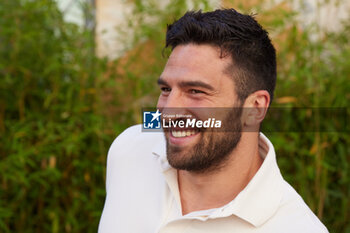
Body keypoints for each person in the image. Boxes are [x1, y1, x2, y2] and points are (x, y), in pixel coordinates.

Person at [98, 9, 328, 233]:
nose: (168, 110)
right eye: (166, 89)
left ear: (255, 108)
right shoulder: (129, 148)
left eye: (196, 91)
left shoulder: (295, 227)